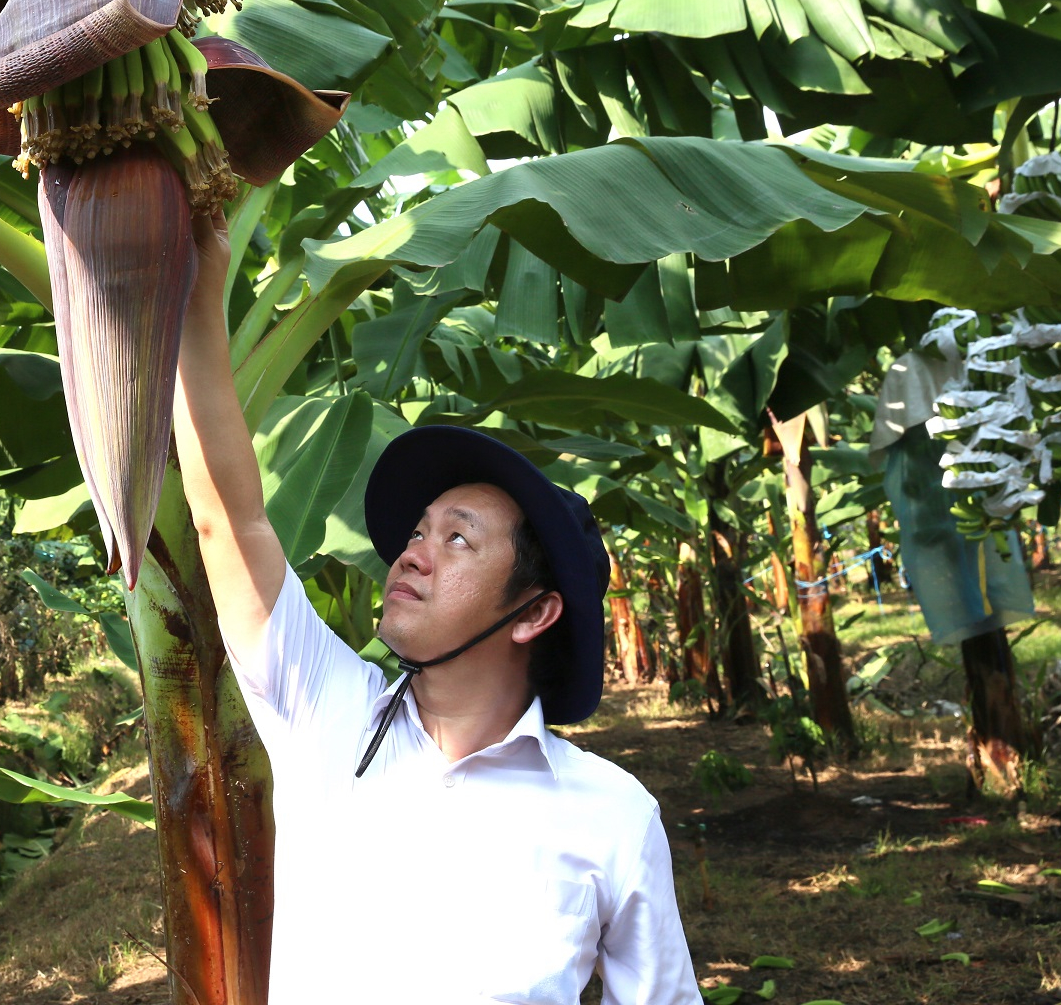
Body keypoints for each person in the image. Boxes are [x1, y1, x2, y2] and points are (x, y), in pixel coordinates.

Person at [172, 208, 701, 1004]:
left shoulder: (612, 817)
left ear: (533, 614)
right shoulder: (328, 713)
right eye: (419, 531)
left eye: (458, 540)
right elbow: (226, 518)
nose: (412, 552)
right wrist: (193, 292)